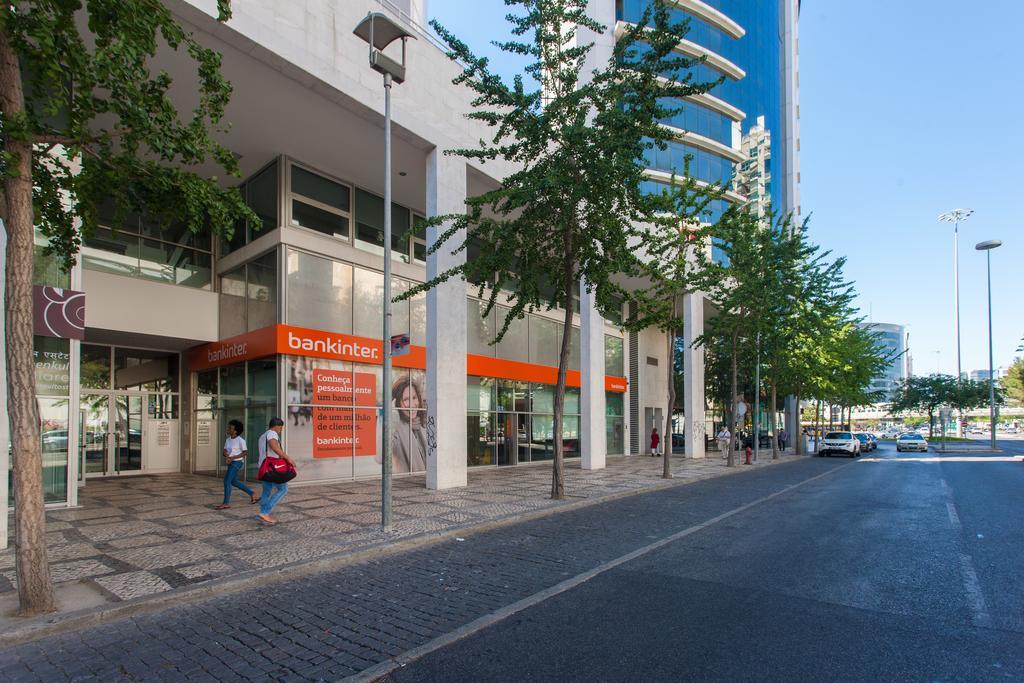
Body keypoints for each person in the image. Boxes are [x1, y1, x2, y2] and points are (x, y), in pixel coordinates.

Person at [256, 417, 296, 525]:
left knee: (266, 491)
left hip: (263, 467)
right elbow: (274, 447)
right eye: (281, 427)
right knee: (283, 489)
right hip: (271, 468)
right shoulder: (272, 433)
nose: (281, 430)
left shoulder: (262, 436)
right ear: (277, 426)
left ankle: (263, 513)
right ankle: (265, 512)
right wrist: (288, 458)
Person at [215, 419, 258, 509]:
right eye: (229, 428)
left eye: (230, 428)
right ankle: (251, 493)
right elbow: (225, 451)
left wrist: (233, 457)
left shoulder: (241, 440)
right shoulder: (228, 440)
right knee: (233, 481)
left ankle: (226, 503)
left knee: (227, 481)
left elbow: (245, 452)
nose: (228, 429)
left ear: (235, 431)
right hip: (230, 461)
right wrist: (226, 454)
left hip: (237, 462)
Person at [391, 377, 427, 473]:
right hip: (407, 484)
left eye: (414, 398)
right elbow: (380, 457)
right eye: (406, 399)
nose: (412, 404)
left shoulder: (423, 425)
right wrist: (392, 415)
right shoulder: (396, 429)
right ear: (397, 403)